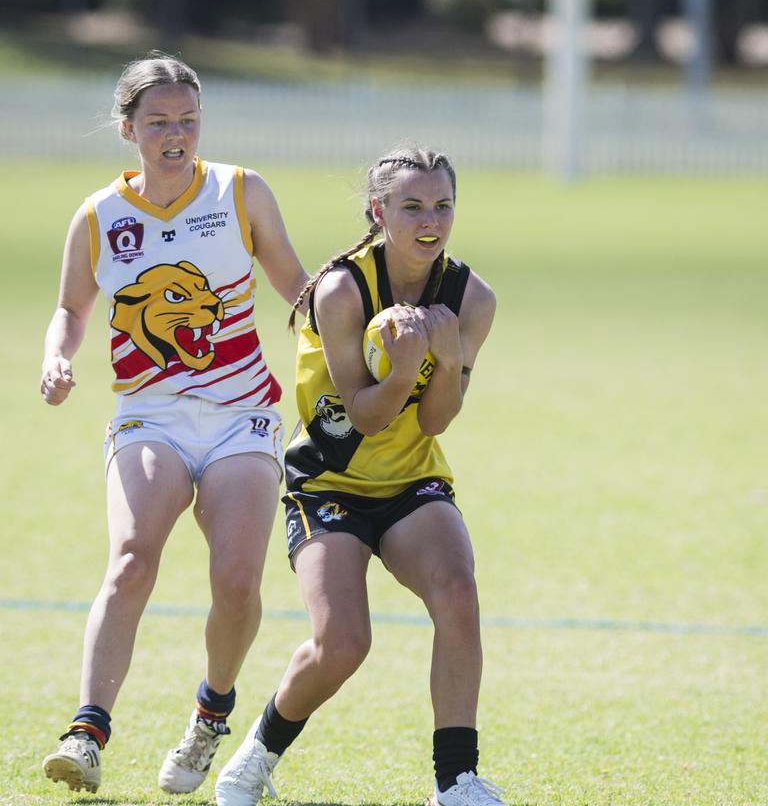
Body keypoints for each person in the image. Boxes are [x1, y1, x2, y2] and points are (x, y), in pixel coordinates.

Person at [39, 52, 308, 796]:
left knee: (236, 582)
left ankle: (210, 715)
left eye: (188, 121)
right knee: (131, 557)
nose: (176, 135)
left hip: (241, 416)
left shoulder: (241, 190)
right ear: (128, 129)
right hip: (148, 414)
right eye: (158, 123)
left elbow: (294, 283)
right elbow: (70, 308)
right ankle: (87, 731)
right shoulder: (99, 215)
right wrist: (58, 357)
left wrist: (350, 318)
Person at [214, 147, 506, 806]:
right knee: (343, 642)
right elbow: (367, 417)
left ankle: (455, 780)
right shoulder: (341, 290)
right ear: (378, 211)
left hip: (411, 482)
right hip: (327, 481)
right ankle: (258, 753)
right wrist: (403, 368)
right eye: (411, 206)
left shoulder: (472, 298)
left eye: (442, 206)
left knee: (458, 595)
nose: (429, 221)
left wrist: (452, 358)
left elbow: (433, 424)